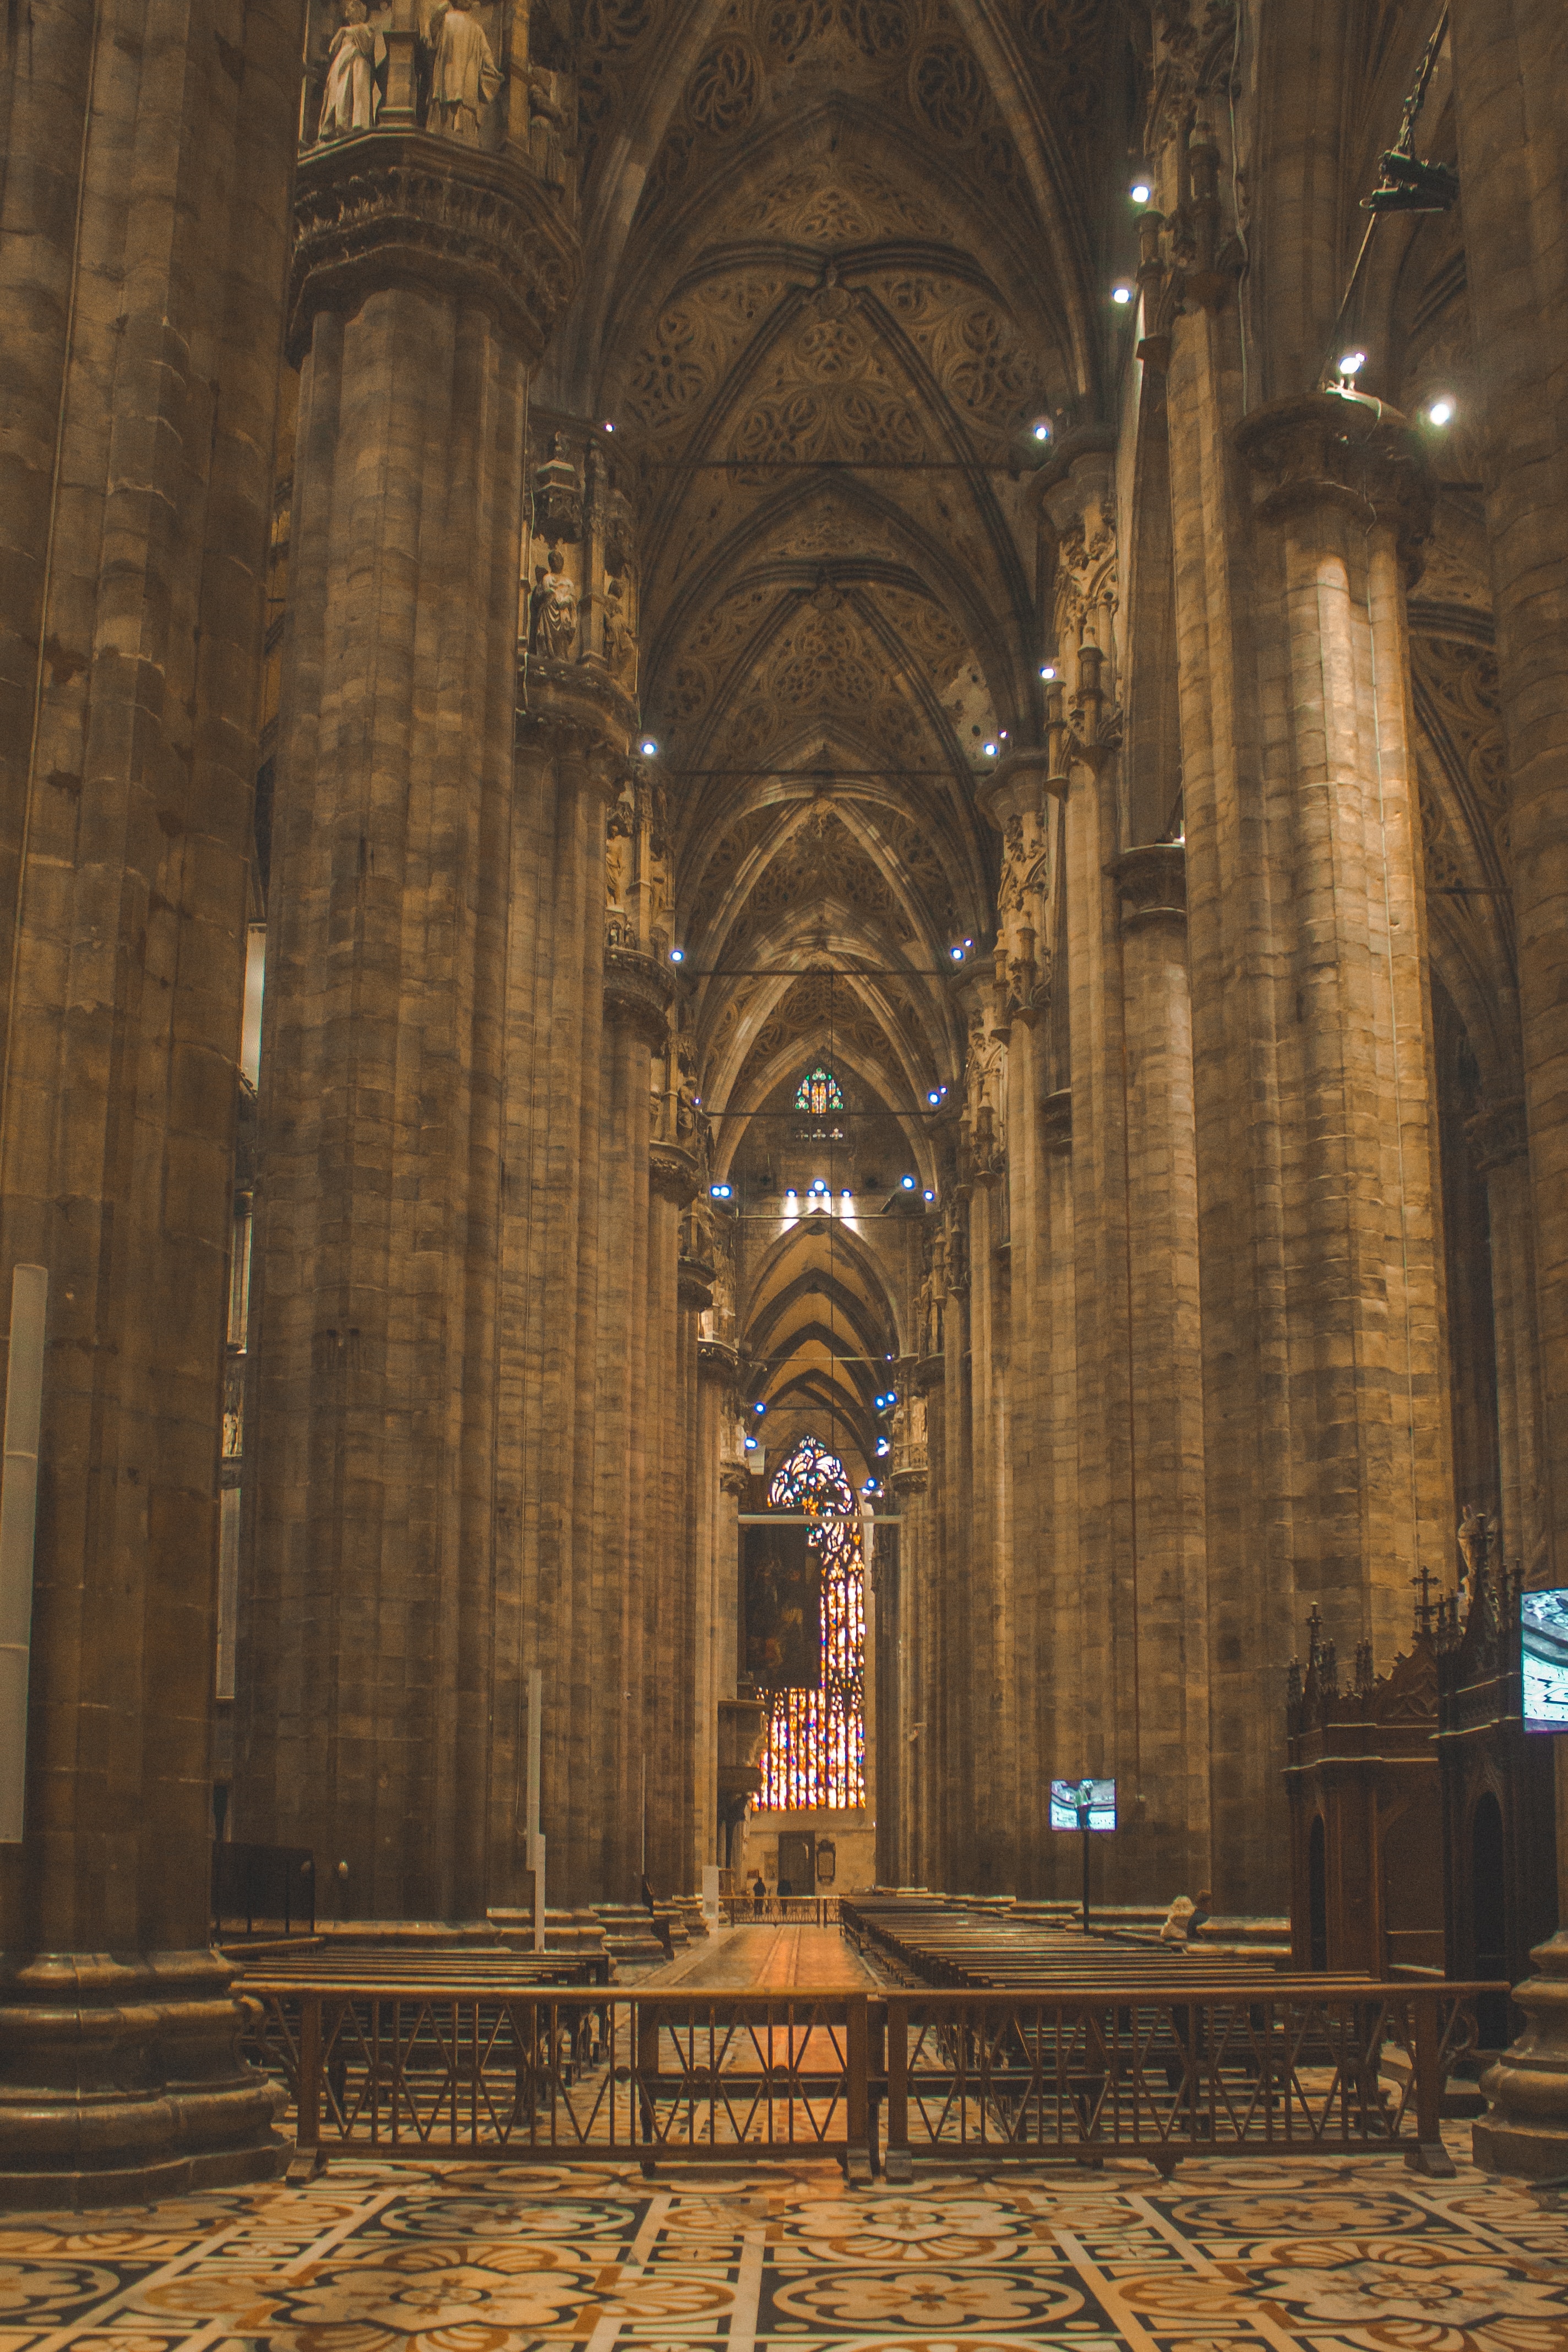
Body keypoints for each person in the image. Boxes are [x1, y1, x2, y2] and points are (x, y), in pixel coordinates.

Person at [426, 0, 500, 143]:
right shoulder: (446, 19)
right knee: (446, 95)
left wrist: (494, 71)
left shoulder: (476, 27)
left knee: (465, 102)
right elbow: (433, 28)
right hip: (449, 69)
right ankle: (444, 126)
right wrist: (443, 7)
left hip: (468, 75)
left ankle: (463, 132)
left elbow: (486, 53)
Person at [318, 0, 384, 140]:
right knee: (339, 94)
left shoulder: (366, 29)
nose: (349, 11)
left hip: (358, 66)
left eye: (353, 8)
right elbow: (332, 50)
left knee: (355, 92)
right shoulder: (342, 33)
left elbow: (366, 44)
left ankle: (357, 124)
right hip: (341, 65)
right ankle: (338, 126)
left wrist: (346, 31)